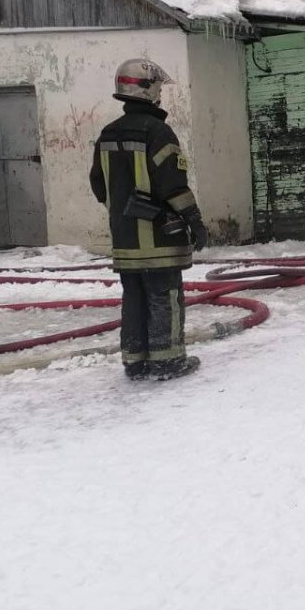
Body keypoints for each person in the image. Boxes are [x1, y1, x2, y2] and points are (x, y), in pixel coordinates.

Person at [90, 59, 209, 381]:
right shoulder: (158, 132)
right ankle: (168, 360)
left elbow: (98, 184)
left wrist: (123, 214)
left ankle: (135, 361)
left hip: (125, 237)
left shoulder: (108, 133)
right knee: (164, 295)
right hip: (159, 235)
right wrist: (194, 220)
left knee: (134, 297)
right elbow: (173, 184)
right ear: (150, 88)